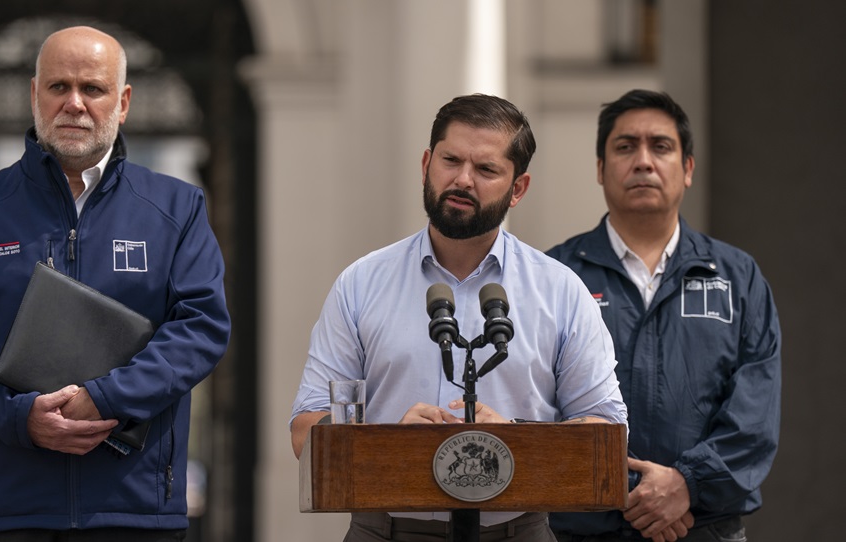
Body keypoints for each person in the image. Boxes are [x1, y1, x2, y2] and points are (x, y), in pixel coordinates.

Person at [0, 26, 231, 541]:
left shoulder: (178, 209)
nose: (75, 104)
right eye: (58, 87)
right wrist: (20, 417)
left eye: (93, 88)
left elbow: (201, 329)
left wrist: (104, 398)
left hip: (135, 510)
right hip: (7, 512)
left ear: (123, 101)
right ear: (33, 95)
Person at [290, 94, 628, 542]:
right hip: (386, 529)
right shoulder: (362, 283)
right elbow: (305, 430)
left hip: (516, 530)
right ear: (427, 163)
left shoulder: (560, 291)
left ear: (518, 188)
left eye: (486, 170)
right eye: (450, 160)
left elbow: (607, 434)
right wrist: (388, 442)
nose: (463, 180)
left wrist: (512, 438)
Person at [547, 89, 782, 542]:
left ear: (687, 168)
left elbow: (755, 418)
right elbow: (534, 411)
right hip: (582, 532)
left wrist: (686, 486)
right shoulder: (555, 277)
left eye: (660, 146)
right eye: (624, 146)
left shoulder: (737, 277)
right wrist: (642, 494)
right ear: (600, 169)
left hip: (704, 529)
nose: (642, 161)